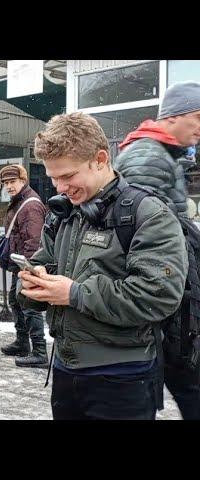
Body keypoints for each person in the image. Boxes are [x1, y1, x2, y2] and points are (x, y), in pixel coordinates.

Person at [17, 112, 188, 420]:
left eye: (68, 176)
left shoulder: (148, 214)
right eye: (53, 177)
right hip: (65, 371)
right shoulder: (63, 214)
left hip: (122, 378)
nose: (59, 187)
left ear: (100, 159)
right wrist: (33, 285)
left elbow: (158, 296)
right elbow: (43, 262)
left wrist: (75, 294)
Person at [115, 81, 200, 419]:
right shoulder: (147, 156)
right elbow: (142, 234)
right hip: (168, 298)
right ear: (174, 116)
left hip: (175, 293)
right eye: (197, 117)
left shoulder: (161, 155)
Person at [0, 164, 49, 368]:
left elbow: (34, 241)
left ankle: (39, 350)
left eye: (13, 182)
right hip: (18, 264)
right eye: (6, 183)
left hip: (26, 265)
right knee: (15, 301)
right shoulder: (20, 201)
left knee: (28, 306)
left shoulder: (30, 205)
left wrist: (29, 270)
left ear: (23, 180)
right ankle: (22, 342)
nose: (9, 186)